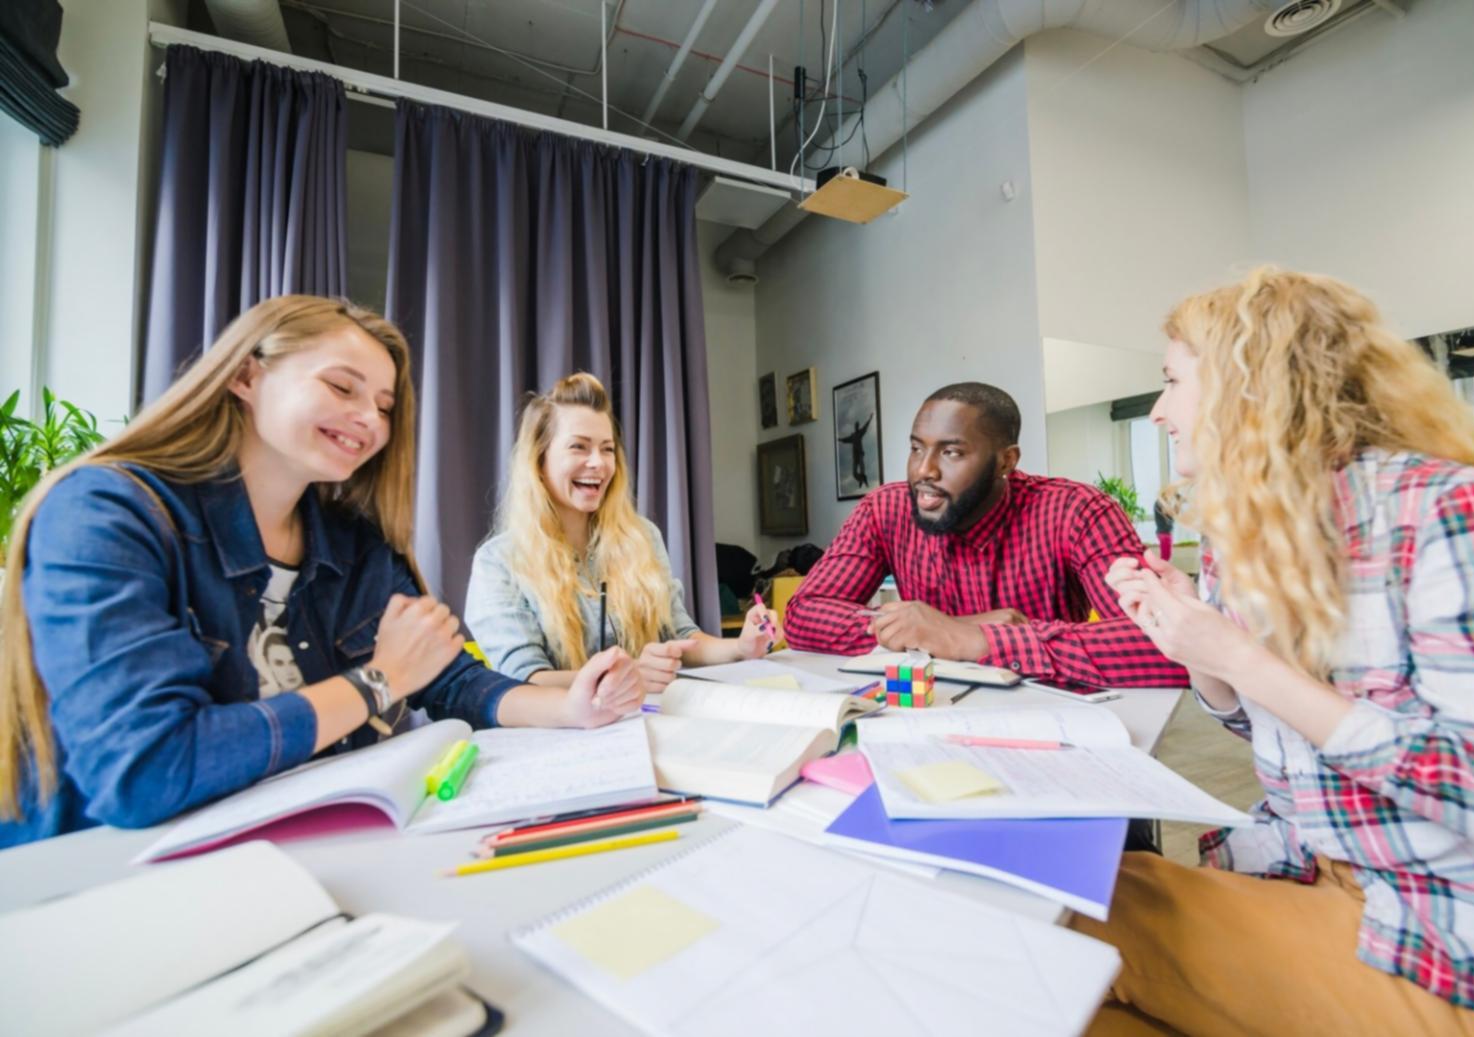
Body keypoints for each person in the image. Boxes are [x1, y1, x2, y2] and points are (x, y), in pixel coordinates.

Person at [1086, 268, 1474, 1036]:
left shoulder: (1461, 515)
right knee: (1075, 925)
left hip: (1449, 937)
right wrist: (1193, 638)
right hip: (1314, 875)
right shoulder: (1249, 539)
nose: (1160, 411)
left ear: (1249, 384)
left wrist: (1240, 657)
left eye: (1171, 382)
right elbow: (1277, 736)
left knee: (1075, 935)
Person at [0, 297, 643, 849]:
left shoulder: (353, 544)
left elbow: (454, 683)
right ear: (247, 376)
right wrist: (378, 680)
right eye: (342, 387)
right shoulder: (104, 512)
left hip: (286, 848)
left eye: (385, 405)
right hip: (98, 873)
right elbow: (145, 772)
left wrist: (571, 709)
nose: (369, 418)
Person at [784, 383, 1187, 689]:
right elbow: (803, 616)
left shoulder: (1077, 511)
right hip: (927, 717)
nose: (924, 470)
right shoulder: (884, 510)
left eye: (951, 452)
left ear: (1006, 461)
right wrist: (944, 629)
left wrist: (978, 640)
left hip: (1052, 726)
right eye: (915, 449)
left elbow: (1168, 645)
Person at [465, 373, 780, 693]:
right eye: (579, 447)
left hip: (645, 723)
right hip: (558, 735)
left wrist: (741, 647)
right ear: (539, 461)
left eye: (607, 449)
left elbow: (681, 636)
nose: (598, 463)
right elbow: (525, 679)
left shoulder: (642, 537)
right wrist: (624, 677)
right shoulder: (498, 562)